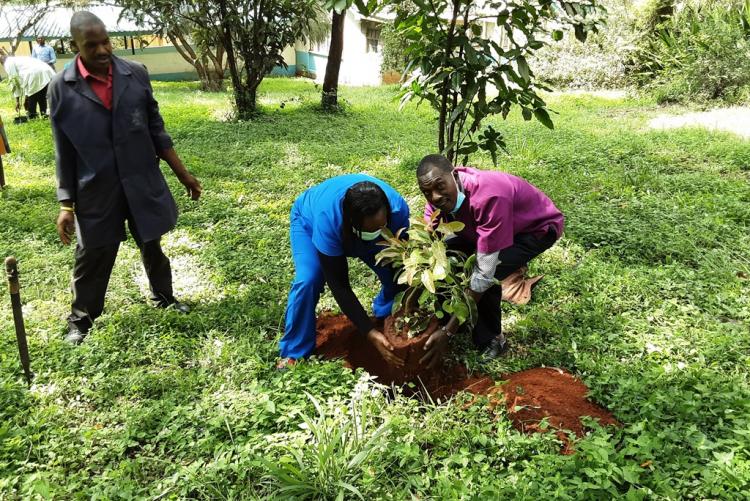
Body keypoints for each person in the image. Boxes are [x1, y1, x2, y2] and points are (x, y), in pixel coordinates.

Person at [49, 11, 203, 344]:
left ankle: (164, 297)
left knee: (152, 242)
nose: (103, 50)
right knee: (92, 253)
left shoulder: (135, 74)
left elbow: (156, 130)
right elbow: (63, 149)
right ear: (75, 46)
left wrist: (184, 175)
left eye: (106, 41)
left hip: (140, 179)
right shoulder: (61, 88)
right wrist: (66, 204)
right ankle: (81, 320)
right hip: (95, 188)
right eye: (92, 45)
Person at [416, 154, 564, 367]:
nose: (435, 196)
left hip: (533, 229)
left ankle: (492, 339)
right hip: (487, 228)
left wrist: (448, 332)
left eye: (440, 186)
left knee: (488, 276)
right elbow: (434, 240)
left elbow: (483, 276)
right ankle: (451, 320)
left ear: (454, 175)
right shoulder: (437, 202)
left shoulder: (489, 196)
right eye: (427, 192)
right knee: (447, 259)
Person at [279, 175, 410, 370]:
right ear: (351, 222)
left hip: (359, 230)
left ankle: (384, 315)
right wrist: (368, 332)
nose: (379, 231)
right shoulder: (328, 220)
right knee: (309, 280)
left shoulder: (397, 210)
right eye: (372, 229)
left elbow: (402, 266)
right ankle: (294, 351)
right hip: (308, 222)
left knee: (394, 274)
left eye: (383, 225)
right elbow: (339, 284)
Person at [0, 49, 55, 119]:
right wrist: (25, 96)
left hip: (35, 72)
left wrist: (17, 101)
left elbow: (14, 82)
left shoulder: (8, 63)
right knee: (41, 92)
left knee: (32, 95)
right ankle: (44, 114)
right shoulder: (15, 59)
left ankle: (32, 115)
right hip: (45, 69)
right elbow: (23, 81)